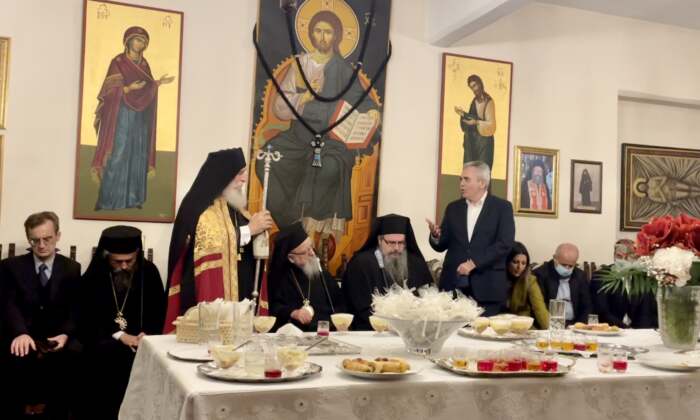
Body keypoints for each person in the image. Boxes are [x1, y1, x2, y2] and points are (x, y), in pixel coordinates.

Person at [256, 10, 380, 238]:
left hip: (331, 142)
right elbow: (279, 108)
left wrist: (372, 111)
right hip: (298, 137)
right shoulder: (300, 65)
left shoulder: (343, 70)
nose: (322, 37)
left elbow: (363, 101)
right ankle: (290, 227)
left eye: (328, 32)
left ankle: (314, 234)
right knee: (265, 161)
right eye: (318, 31)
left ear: (337, 36)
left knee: (328, 168)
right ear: (310, 33)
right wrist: (304, 97)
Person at [164, 148, 273, 332]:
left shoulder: (238, 209)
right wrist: (249, 230)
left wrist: (261, 234)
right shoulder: (199, 207)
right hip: (204, 299)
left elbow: (244, 245)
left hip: (240, 302)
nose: (244, 179)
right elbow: (210, 243)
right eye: (239, 173)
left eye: (244, 173)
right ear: (224, 174)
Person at [0, 212, 82, 418]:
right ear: (28, 239)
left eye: (47, 238)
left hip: (56, 335)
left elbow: (75, 308)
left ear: (58, 235)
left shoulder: (72, 268)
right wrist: (20, 332)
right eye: (35, 240)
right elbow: (8, 304)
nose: (42, 245)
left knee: (75, 355)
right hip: (24, 332)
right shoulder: (10, 266)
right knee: (15, 356)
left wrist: (65, 334)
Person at [80, 226, 166, 420]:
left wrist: (147, 334)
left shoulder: (149, 272)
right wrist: (120, 335)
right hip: (104, 343)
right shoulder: (95, 275)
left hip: (140, 345)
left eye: (130, 260)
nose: (125, 266)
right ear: (106, 256)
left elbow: (158, 311)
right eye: (117, 261)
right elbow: (86, 315)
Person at [91, 26, 175, 210]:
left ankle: (133, 199)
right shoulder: (118, 62)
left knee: (138, 154)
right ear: (128, 41)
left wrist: (158, 83)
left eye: (143, 41)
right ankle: (108, 200)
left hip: (140, 117)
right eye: (138, 40)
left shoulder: (144, 64)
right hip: (121, 115)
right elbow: (108, 91)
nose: (140, 44)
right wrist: (128, 89)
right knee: (119, 152)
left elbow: (148, 86)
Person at [427, 161, 515, 316]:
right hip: (453, 287)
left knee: (485, 331)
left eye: (466, 179)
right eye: (460, 179)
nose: (461, 184)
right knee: (453, 331)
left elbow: (505, 244)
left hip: (487, 287)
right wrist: (436, 236)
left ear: (482, 183)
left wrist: (474, 263)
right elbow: (442, 244)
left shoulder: (502, 208)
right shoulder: (453, 208)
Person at [343, 214, 433, 330]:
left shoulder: (416, 263)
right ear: (379, 240)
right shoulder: (361, 264)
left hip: (412, 329)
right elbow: (359, 307)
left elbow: (428, 300)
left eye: (401, 243)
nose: (396, 248)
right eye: (391, 242)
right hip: (372, 330)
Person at [268, 222, 343, 332]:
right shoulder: (278, 279)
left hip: (325, 332)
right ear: (291, 258)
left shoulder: (321, 272)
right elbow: (273, 308)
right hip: (294, 336)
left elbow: (339, 302)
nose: (312, 253)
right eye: (305, 251)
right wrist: (293, 313)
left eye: (311, 247)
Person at [590, 239, 657, 328]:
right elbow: (602, 311)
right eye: (619, 256)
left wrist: (640, 332)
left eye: (628, 257)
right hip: (611, 329)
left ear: (636, 258)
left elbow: (647, 312)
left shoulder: (643, 277)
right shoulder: (601, 276)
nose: (623, 260)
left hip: (638, 331)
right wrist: (626, 329)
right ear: (614, 255)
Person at [534, 243, 592, 325]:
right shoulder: (541, 274)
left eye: (571, 266)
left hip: (574, 325)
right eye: (563, 265)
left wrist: (579, 326)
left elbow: (586, 306)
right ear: (555, 258)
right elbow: (539, 307)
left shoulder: (580, 276)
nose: (567, 269)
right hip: (548, 324)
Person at [454, 74, 496, 169]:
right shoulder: (474, 101)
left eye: (475, 85)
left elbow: (492, 125)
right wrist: (463, 114)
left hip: (484, 144)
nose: (474, 89)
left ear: (480, 84)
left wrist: (476, 122)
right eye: (471, 87)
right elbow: (472, 118)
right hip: (473, 143)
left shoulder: (489, 102)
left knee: (482, 172)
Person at [506, 242, 549, 329]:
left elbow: (539, 309)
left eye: (523, 263)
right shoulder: (498, 279)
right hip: (500, 325)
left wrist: (552, 331)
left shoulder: (529, 280)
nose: (519, 267)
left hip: (523, 328)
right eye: (515, 262)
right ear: (507, 261)